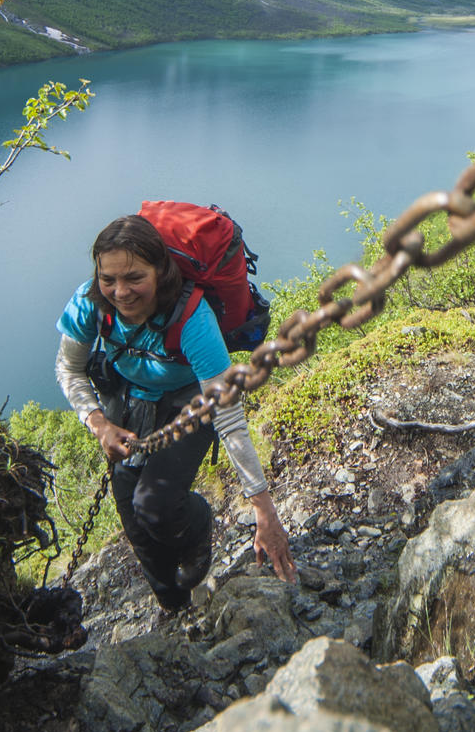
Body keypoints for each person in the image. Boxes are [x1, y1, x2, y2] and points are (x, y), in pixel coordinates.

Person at [53, 214, 295, 612]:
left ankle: (199, 527)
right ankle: (173, 604)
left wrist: (264, 511)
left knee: (157, 506)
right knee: (135, 523)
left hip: (189, 402)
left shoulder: (192, 318)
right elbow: (69, 369)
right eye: (108, 278)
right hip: (129, 404)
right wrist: (99, 424)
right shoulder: (89, 304)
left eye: (134, 277)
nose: (120, 292)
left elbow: (228, 416)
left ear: (161, 271)